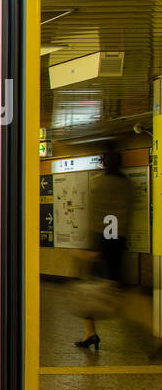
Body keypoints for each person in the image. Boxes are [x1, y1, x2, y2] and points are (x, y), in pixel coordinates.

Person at [75, 149, 133, 351]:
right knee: (119, 291)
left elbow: (99, 215)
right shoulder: (126, 184)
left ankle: (91, 333)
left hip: (103, 242)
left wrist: (94, 249)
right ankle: (90, 334)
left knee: (88, 293)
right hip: (117, 242)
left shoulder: (102, 182)